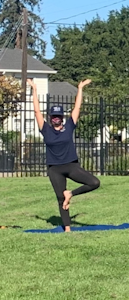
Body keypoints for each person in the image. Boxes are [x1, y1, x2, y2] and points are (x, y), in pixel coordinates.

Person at [28, 79, 99, 232]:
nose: (56, 118)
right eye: (53, 116)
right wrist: (34, 89)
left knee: (94, 183)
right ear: (50, 118)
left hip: (71, 165)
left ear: (62, 117)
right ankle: (67, 228)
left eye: (58, 116)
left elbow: (77, 107)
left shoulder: (69, 126)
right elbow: (36, 111)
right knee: (60, 198)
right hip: (55, 169)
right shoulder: (45, 129)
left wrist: (80, 88)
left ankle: (70, 194)